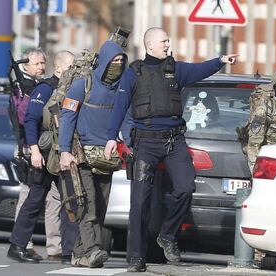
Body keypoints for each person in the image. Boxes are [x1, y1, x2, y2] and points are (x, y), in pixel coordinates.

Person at [104, 27, 238, 272]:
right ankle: (136, 257)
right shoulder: (134, 72)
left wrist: (220, 61)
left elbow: (199, 69)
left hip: (174, 142)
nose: (168, 44)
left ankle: (167, 235)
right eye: (164, 41)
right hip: (145, 143)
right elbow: (120, 105)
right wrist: (112, 137)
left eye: (168, 40)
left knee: (186, 187)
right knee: (140, 202)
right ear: (150, 45)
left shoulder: (175, 69)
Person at [58, 40, 131, 268]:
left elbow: (127, 118)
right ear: (104, 61)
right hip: (82, 157)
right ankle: (92, 250)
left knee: (100, 207)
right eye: (113, 61)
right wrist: (64, 151)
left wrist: (127, 144)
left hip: (107, 159)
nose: (117, 65)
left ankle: (78, 254)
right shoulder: (82, 85)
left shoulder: (122, 88)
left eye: (121, 61)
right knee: (87, 205)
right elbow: (67, 117)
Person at [8, 50, 77, 264]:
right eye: (70, 67)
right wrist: (35, 150)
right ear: (58, 68)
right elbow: (30, 120)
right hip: (46, 156)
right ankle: (17, 245)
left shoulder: (71, 89)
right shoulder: (46, 89)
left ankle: (69, 252)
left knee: (70, 202)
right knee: (35, 200)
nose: (74, 71)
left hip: (63, 154)